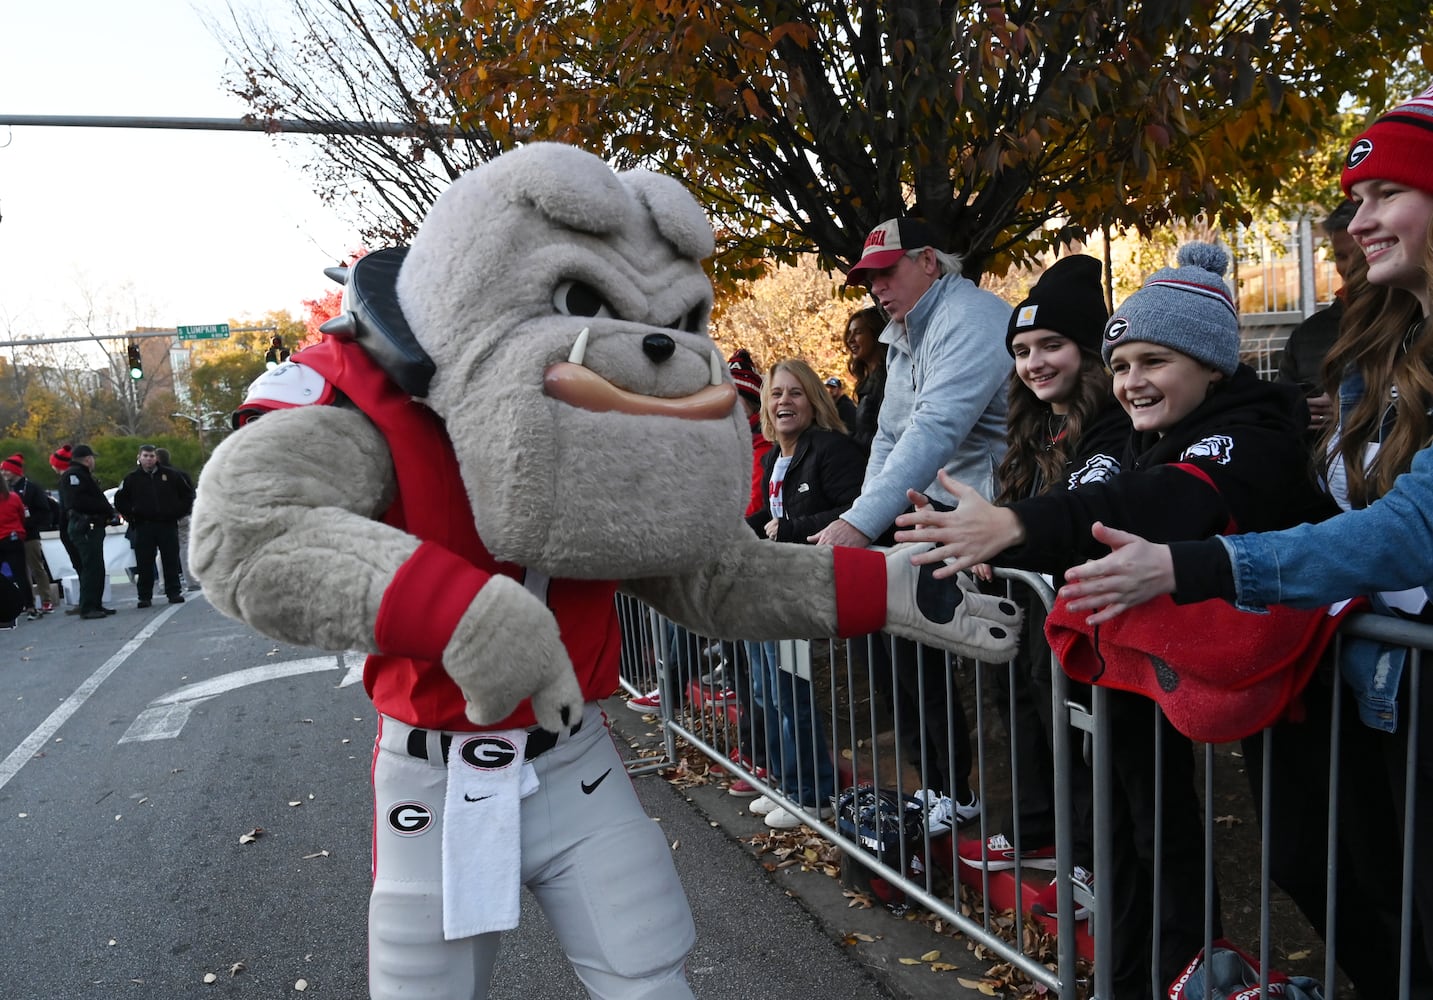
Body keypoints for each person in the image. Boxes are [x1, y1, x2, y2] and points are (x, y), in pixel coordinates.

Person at [1060, 85, 1433, 995]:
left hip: (1397, 674)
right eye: (1354, 199)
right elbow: (1339, 512)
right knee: (1341, 882)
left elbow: (1410, 526)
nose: (1359, 218)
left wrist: (1202, 565)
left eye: (1384, 192)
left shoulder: (1258, 419)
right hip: (1373, 682)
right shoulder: (1380, 348)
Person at [896, 241, 1340, 995]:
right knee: (1156, 833)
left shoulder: (1250, 432)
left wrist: (1014, 526)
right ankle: (1144, 977)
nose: (1131, 382)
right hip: (1224, 686)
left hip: (1324, 688)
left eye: (1152, 362)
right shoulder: (1145, 434)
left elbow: (1165, 501)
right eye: (1123, 363)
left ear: (1211, 364)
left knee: (1324, 869)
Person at [812, 216, 1013, 827]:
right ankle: (944, 786)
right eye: (867, 277)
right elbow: (889, 437)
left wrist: (857, 524)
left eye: (886, 271)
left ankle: (1027, 819)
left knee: (1007, 682)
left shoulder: (970, 317)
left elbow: (934, 430)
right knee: (894, 637)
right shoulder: (906, 332)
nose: (875, 287)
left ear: (929, 260)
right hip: (936, 511)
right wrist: (861, 521)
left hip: (990, 513)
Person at [953, 255, 1128, 924]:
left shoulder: (1111, 423)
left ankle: (1089, 857)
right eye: (1022, 349)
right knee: (1025, 715)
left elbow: (1078, 510)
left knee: (1085, 739)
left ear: (1086, 351)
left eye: (1049, 345)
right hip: (1031, 609)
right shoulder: (1028, 425)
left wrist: (1006, 536)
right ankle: (1035, 828)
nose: (1033, 362)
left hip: (1093, 617)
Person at [743, 359, 865, 829]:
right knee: (765, 690)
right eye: (776, 394)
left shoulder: (833, 450)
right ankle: (786, 784)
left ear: (813, 400)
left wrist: (790, 529)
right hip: (767, 588)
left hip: (802, 590)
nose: (784, 402)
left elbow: (855, 510)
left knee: (790, 692)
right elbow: (767, 520)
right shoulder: (775, 457)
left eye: (795, 393)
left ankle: (813, 792)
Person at [1277, 199, 1359, 438]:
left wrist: (1352, 412)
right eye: (1341, 256)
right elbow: (1278, 410)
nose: (1350, 266)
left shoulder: (1416, 321)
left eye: (1359, 254)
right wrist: (1299, 412)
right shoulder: (1308, 335)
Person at [114, 444, 196, 609]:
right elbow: (120, 501)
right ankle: (144, 596)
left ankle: (173, 592)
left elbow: (188, 495)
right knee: (144, 562)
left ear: (156, 458)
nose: (149, 459)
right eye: (145, 456)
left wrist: (178, 512)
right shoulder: (132, 479)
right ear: (139, 457)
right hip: (144, 526)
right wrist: (132, 516)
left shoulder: (171, 475)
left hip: (167, 524)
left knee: (170, 559)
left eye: (151, 456)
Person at [58, 444, 118, 620]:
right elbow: (77, 502)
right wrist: (103, 509)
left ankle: (95, 604)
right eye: (92, 458)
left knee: (96, 566)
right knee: (90, 567)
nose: (93, 461)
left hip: (91, 525)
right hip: (84, 525)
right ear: (87, 459)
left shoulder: (82, 475)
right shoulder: (73, 476)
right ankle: (88, 606)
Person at [1, 454, 58, 619]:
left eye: (6, 470)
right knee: (21, 572)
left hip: (28, 535)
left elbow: (44, 511)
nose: (4, 473)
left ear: (15, 471)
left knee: (36, 567)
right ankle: (28, 603)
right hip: (15, 535)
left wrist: (28, 524)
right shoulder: (8, 490)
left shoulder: (31, 488)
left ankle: (46, 599)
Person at [155, 447, 200, 591]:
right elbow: (190, 494)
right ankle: (191, 581)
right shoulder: (179, 475)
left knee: (162, 551)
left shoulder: (153, 478)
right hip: (181, 516)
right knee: (185, 547)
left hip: (161, 518)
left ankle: (163, 583)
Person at [844, 305, 887, 456]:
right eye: (849, 334)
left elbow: (883, 437)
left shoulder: (887, 379)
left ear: (875, 334)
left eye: (858, 332)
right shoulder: (866, 381)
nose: (850, 340)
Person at [0, 473, 27, 630]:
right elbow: (21, 516)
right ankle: (29, 605)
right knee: (21, 574)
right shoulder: (13, 497)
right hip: (13, 538)